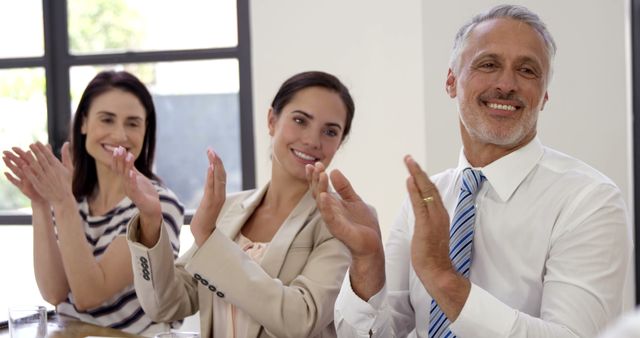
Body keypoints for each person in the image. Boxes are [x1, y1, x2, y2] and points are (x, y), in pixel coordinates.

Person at [306, 4, 630, 338]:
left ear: (544, 95)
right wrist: (367, 262)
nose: (506, 84)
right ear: (451, 81)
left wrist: (444, 278)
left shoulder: (589, 200)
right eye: (488, 64)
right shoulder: (426, 202)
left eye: (528, 71)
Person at [120, 71, 354, 337]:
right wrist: (150, 220)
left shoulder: (341, 222)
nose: (313, 140)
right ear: (271, 120)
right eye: (300, 120)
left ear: (340, 142)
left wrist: (209, 239)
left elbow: (301, 320)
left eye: (330, 131)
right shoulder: (228, 209)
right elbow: (166, 305)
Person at [2, 70, 184, 335]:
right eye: (107, 120)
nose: (120, 135)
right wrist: (41, 202)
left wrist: (62, 202)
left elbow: (90, 295)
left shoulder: (158, 205)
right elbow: (54, 292)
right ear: (84, 123)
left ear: (146, 131)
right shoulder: (72, 198)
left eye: (133, 123)